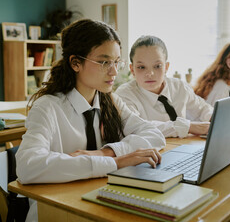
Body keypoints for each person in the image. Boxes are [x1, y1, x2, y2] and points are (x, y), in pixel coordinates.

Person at [15, 19, 165, 221]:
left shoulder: (110, 100)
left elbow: (154, 135)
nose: (113, 72)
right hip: (57, 210)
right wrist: (115, 162)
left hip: (101, 200)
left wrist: (107, 152)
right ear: (75, 63)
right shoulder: (47, 107)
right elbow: (28, 166)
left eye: (116, 62)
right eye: (104, 62)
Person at [115, 35, 213, 138]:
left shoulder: (179, 86)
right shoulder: (124, 95)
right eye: (141, 67)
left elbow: (203, 108)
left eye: (157, 66)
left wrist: (213, 119)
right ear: (132, 69)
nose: (150, 73)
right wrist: (188, 127)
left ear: (166, 67)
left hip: (182, 148)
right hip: (150, 151)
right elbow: (138, 127)